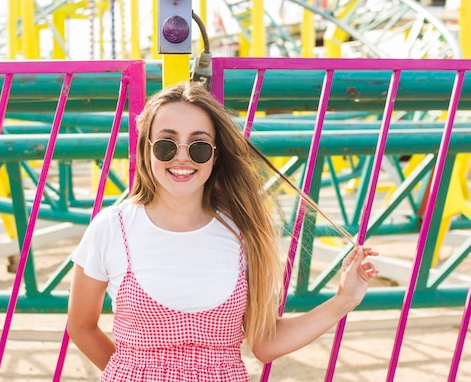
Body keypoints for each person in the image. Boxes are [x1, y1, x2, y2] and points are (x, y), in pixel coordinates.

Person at [67, 81, 379, 381]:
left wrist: (344, 299)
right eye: (166, 144)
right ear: (146, 149)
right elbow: (81, 326)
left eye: (199, 146)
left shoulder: (243, 232)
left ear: (216, 155)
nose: (182, 157)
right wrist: (133, 372)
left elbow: (265, 344)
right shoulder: (111, 228)